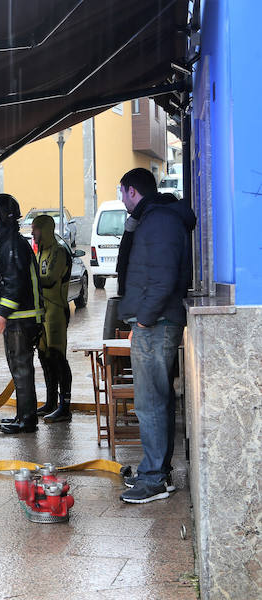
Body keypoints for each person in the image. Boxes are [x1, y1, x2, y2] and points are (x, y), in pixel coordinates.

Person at [116, 168, 196, 504]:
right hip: (155, 322)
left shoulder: (159, 221)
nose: (121, 199)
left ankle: (154, 479)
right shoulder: (153, 218)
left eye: (121, 192)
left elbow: (162, 278)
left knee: (149, 403)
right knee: (155, 400)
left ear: (132, 191)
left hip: (156, 322)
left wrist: (145, 321)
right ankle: (156, 472)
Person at [0, 194, 45, 434]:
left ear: (3, 217)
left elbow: (14, 284)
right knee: (20, 370)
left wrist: (0, 313)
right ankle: (23, 415)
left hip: (21, 319)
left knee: (21, 370)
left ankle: (26, 420)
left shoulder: (11, 246)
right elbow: (8, 281)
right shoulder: (11, 243)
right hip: (23, 318)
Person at [31, 214, 74, 423]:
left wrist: (29, 277)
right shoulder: (41, 251)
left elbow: (48, 280)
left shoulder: (59, 250)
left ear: (45, 229)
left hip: (56, 310)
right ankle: (50, 402)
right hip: (42, 311)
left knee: (58, 357)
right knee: (44, 356)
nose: (32, 233)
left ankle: (65, 406)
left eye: (35, 229)